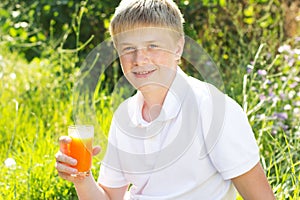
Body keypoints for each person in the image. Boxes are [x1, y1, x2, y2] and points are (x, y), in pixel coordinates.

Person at [55, 0, 275, 199]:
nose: (140, 59)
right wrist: (82, 179)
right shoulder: (125, 114)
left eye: (153, 46)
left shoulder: (213, 109)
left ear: (178, 48)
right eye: (128, 48)